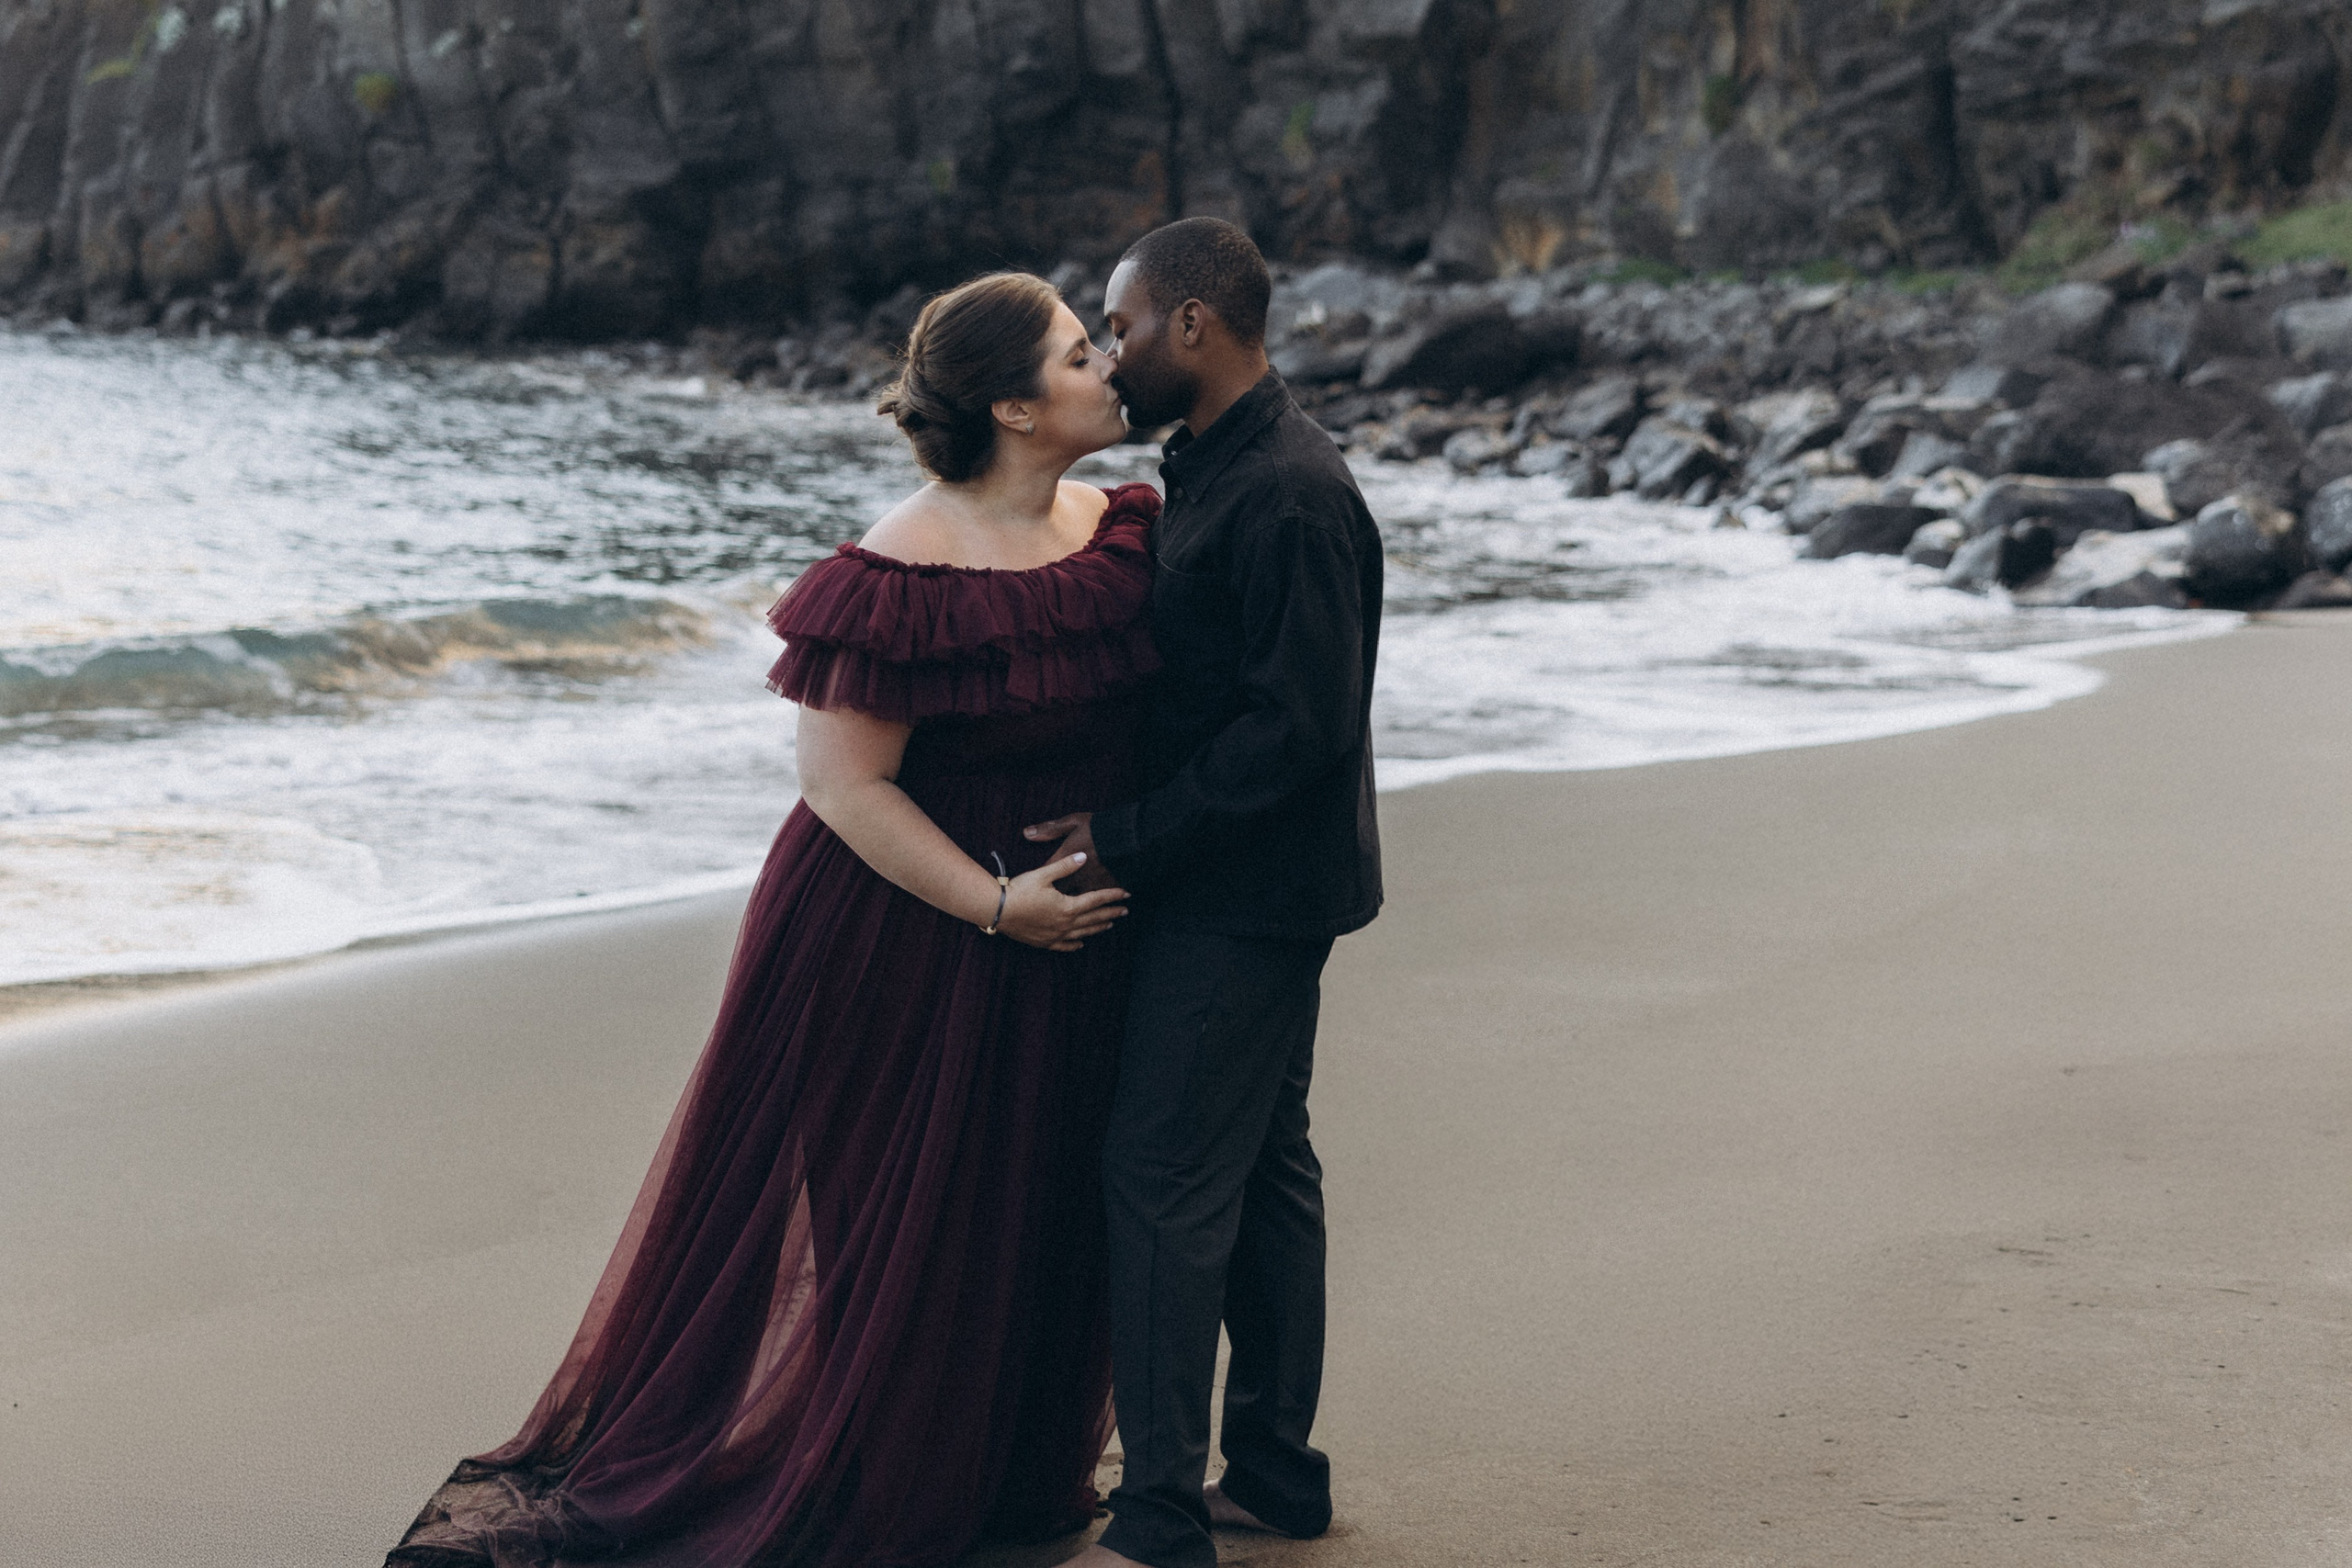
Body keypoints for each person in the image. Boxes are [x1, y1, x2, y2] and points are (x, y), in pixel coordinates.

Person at [385, 271, 1159, 1568]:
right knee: (902, 1231)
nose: (1112, 367)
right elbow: (840, 784)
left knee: (1029, 1211)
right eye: (1085, 355)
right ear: (1020, 407)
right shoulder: (901, 568)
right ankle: (878, 1488)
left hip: (1058, 939)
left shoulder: (1120, 530)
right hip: (900, 935)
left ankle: (984, 1481)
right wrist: (994, 906)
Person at [1031, 218, 1385, 1568]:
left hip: (1243, 897)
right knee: (1267, 1174)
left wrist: (1124, 837)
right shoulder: (1217, 468)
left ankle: (1164, 1515)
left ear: (1192, 326)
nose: (1110, 356)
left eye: (1117, 328)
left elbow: (1293, 733)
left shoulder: (1290, 491)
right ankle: (1280, 1481)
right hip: (1252, 881)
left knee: (1163, 1174)